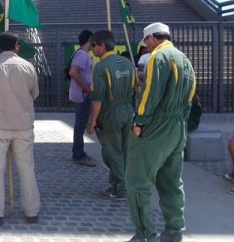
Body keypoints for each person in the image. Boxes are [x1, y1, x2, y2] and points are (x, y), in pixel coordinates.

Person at [126, 22, 196, 242]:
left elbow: (150, 94)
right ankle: (174, 231)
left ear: (151, 38)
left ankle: (145, 235)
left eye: (146, 43)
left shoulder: (159, 56)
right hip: (178, 127)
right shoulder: (184, 59)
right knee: (172, 182)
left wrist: (140, 121)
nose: (146, 48)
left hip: (156, 126)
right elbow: (191, 95)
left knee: (137, 182)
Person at [0, 31, 41, 226]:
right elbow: (35, 94)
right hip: (23, 126)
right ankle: (32, 212)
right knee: (27, 168)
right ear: (16, 46)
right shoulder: (28, 66)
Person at [85, 30, 135, 201]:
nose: (91, 49)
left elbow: (97, 97)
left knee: (112, 153)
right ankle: (116, 184)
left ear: (102, 45)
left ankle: (122, 189)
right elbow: (137, 86)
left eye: (93, 46)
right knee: (124, 151)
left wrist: (92, 121)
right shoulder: (128, 63)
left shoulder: (101, 67)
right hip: (128, 110)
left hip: (111, 113)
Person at [68, 29, 96, 167]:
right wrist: (86, 88)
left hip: (82, 95)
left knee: (80, 125)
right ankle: (78, 155)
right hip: (83, 95)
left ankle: (79, 152)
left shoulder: (81, 54)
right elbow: (73, 72)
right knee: (80, 126)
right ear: (89, 40)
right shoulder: (83, 55)